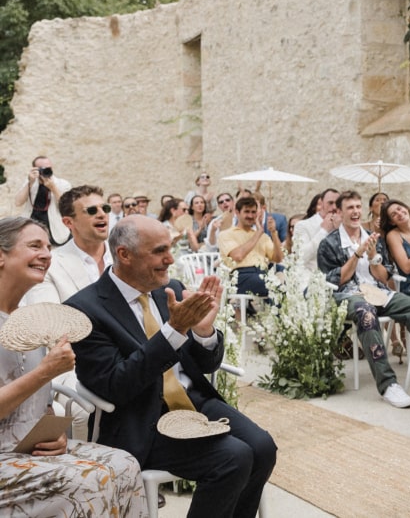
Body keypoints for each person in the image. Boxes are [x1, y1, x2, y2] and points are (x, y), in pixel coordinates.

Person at [65, 215, 277, 517]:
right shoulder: (85, 309)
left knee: (262, 447)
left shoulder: (170, 289)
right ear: (124, 254)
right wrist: (173, 331)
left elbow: (205, 364)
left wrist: (203, 332)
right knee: (234, 457)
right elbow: (115, 387)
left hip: (193, 403)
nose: (170, 258)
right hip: (139, 420)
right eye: (159, 251)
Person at [0, 217, 146, 517]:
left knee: (126, 465)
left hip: (29, 449)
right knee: (90, 481)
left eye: (48, 246)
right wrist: (46, 371)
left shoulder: (33, 320)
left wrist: (55, 434)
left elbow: (39, 404)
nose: (46, 254)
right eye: (34, 245)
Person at [317, 190, 410, 408]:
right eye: (350, 208)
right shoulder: (329, 243)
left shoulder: (374, 238)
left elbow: (383, 276)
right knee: (365, 313)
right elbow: (336, 280)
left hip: (378, 291)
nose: (356, 212)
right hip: (349, 295)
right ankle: (388, 384)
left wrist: (372, 258)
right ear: (339, 212)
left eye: (358, 207)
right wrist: (358, 254)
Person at [21, 185, 113, 438]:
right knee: (85, 408)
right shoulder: (51, 266)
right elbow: (51, 329)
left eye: (104, 208)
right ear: (68, 222)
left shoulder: (125, 259)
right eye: (91, 210)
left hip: (129, 358)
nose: (102, 214)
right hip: (74, 363)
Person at [217, 196, 283, 299]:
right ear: (237, 213)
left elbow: (278, 258)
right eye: (246, 212)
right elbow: (238, 256)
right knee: (276, 288)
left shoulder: (263, 236)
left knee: (283, 287)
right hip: (241, 276)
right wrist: (259, 232)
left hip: (263, 274)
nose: (250, 215)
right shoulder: (226, 234)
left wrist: (274, 233)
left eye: (253, 212)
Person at [12, 156, 71, 245]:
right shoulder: (30, 182)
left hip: (54, 228)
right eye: (42, 168)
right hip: (32, 226)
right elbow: (18, 202)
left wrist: (53, 188)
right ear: (35, 169)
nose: (46, 170)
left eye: (48, 168)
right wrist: (30, 183)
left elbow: (68, 206)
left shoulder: (62, 184)